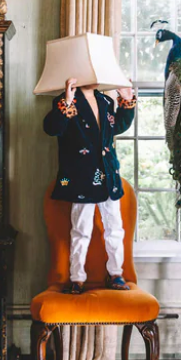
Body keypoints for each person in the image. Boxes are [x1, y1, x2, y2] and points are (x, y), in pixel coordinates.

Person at [43, 77, 136, 294]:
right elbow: (52, 128)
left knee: (115, 229)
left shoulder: (105, 101)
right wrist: (67, 101)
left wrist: (127, 101)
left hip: (108, 175)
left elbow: (117, 127)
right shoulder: (66, 101)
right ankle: (77, 278)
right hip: (81, 177)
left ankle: (116, 274)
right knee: (81, 230)